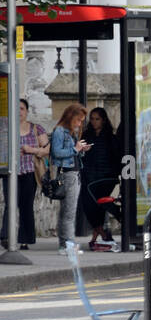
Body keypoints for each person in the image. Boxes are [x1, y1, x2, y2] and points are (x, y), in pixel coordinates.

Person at [1, 99, 49, 249]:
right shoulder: (5, 128)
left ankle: (25, 239)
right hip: (11, 173)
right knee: (10, 204)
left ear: (27, 111)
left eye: (21, 108)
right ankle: (6, 236)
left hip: (29, 172)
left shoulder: (36, 129)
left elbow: (46, 150)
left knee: (26, 206)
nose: (19, 112)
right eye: (16, 108)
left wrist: (31, 150)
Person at [49, 102, 91, 253]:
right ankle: (68, 244)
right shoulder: (60, 131)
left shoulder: (70, 132)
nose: (80, 123)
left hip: (74, 172)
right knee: (69, 212)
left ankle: (64, 244)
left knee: (66, 211)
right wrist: (75, 148)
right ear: (70, 116)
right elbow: (57, 153)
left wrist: (81, 150)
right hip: (67, 174)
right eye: (78, 120)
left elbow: (72, 154)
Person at [79, 107, 122, 250]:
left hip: (106, 177)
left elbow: (116, 158)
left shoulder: (110, 137)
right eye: (92, 119)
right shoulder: (86, 136)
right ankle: (102, 234)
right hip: (89, 176)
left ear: (103, 120)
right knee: (89, 205)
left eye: (97, 119)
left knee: (99, 203)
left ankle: (103, 233)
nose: (94, 122)